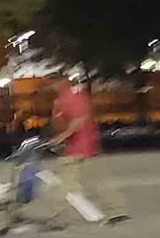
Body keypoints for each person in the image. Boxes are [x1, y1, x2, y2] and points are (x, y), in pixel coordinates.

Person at [43, 69, 127, 223]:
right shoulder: (70, 97)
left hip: (76, 148)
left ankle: (58, 217)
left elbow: (78, 120)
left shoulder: (71, 98)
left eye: (51, 84)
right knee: (97, 181)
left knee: (64, 184)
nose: (50, 88)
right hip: (87, 147)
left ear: (60, 82)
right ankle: (116, 211)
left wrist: (61, 137)